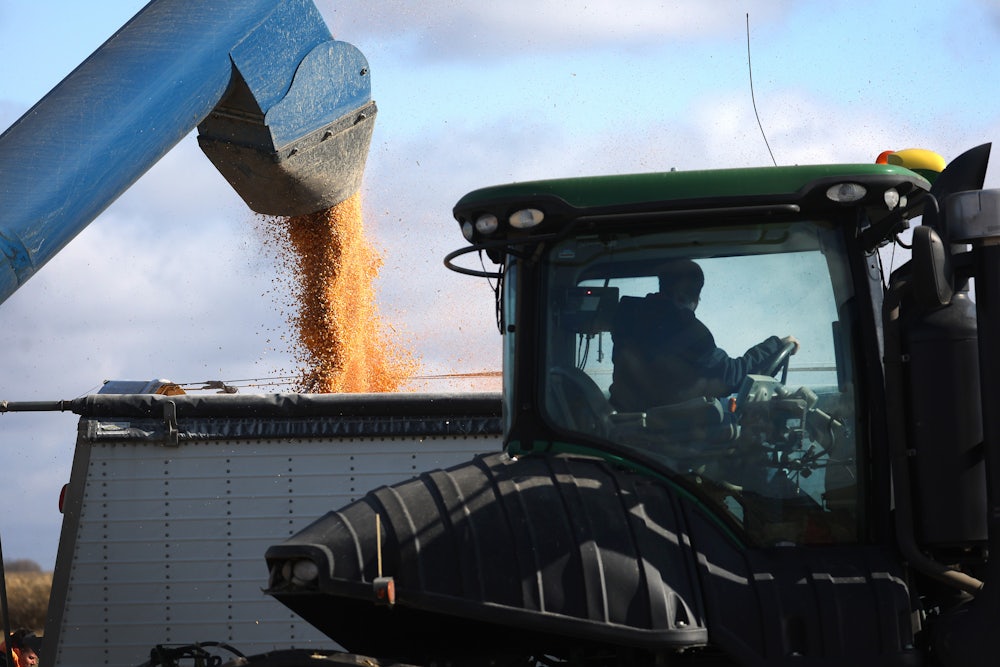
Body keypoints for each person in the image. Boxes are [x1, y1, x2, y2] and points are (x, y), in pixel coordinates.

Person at [609, 259, 799, 412]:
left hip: (627, 421)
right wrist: (776, 345)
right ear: (688, 297)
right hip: (667, 434)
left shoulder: (628, 316)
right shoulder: (686, 329)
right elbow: (730, 375)